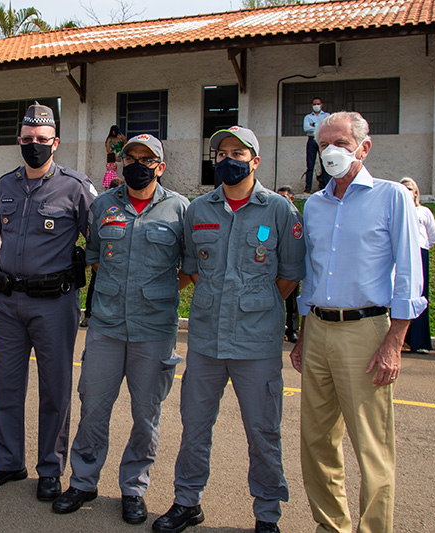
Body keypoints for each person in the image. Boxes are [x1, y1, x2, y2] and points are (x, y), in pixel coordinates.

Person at [153, 126, 305, 533]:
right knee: (195, 425)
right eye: (221, 152)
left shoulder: (279, 210)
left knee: (263, 430)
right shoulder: (199, 210)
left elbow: (288, 276)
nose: (228, 159)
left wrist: (251, 305)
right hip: (205, 339)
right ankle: (187, 500)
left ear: (255, 160)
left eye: (238, 152)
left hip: (256, 343)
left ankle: (267, 514)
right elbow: (193, 269)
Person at [291, 111, 425, 533]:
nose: (330, 152)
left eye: (341, 144)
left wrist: (394, 341)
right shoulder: (314, 204)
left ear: (363, 149)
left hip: (366, 334)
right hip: (318, 331)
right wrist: (303, 335)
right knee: (316, 440)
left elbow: (409, 274)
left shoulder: (391, 197)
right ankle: (331, 526)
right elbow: (312, 276)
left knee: (371, 444)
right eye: (324, 143)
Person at [52, 134, 188, 524]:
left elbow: (190, 268)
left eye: (147, 159)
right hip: (107, 326)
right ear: (121, 161)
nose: (138, 164)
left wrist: (154, 293)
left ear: (160, 167)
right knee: (93, 407)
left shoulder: (180, 209)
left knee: (146, 415)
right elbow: (95, 257)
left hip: (154, 329)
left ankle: (134, 487)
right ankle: (83, 481)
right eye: (131, 157)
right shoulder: (103, 205)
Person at [0, 102, 97, 501]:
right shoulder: (5, 186)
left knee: (54, 389)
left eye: (42, 140)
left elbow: (96, 242)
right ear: (19, 141)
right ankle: (8, 462)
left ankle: (49, 468)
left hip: (53, 303)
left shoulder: (76, 187)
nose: (34, 146)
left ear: (55, 142)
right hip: (8, 302)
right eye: (27, 140)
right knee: (6, 386)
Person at [80, 176, 124, 328]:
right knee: (94, 284)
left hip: (111, 260)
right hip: (100, 258)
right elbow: (91, 238)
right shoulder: (100, 205)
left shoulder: (121, 211)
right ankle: (88, 315)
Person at [400, 177, 435, 354]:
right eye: (403, 188)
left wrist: (420, 248)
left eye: (409, 188)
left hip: (420, 253)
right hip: (401, 254)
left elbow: (433, 235)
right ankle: (401, 339)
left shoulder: (424, 211)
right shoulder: (397, 211)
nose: (406, 191)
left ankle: (420, 342)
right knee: (400, 294)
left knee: (420, 295)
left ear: (415, 192)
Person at [277, 185, 301, 343]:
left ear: (291, 199)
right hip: (274, 264)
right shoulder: (270, 215)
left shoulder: (295, 216)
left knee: (292, 299)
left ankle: (292, 329)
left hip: (291, 264)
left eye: (284, 197)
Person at [303, 97, 330, 193]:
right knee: (310, 165)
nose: (316, 106)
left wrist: (314, 126)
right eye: (314, 104)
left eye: (318, 104)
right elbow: (306, 128)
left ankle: (326, 187)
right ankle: (308, 187)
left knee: (325, 163)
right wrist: (320, 127)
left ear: (321, 105)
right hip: (311, 140)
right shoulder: (308, 117)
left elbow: (327, 128)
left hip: (323, 140)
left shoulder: (327, 115)